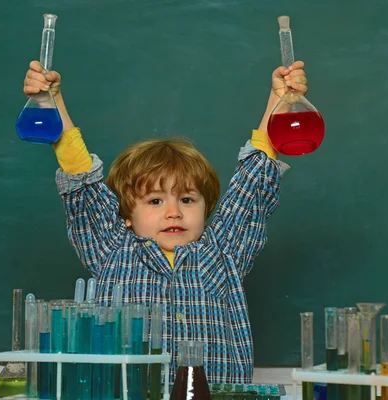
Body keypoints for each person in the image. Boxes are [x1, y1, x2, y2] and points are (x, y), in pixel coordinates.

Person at [21, 59, 308, 384]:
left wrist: (280, 100)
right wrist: (51, 100)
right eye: (155, 201)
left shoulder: (223, 251)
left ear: (205, 207)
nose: (173, 212)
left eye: (186, 199)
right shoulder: (111, 249)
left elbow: (254, 182)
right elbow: (81, 177)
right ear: (126, 215)